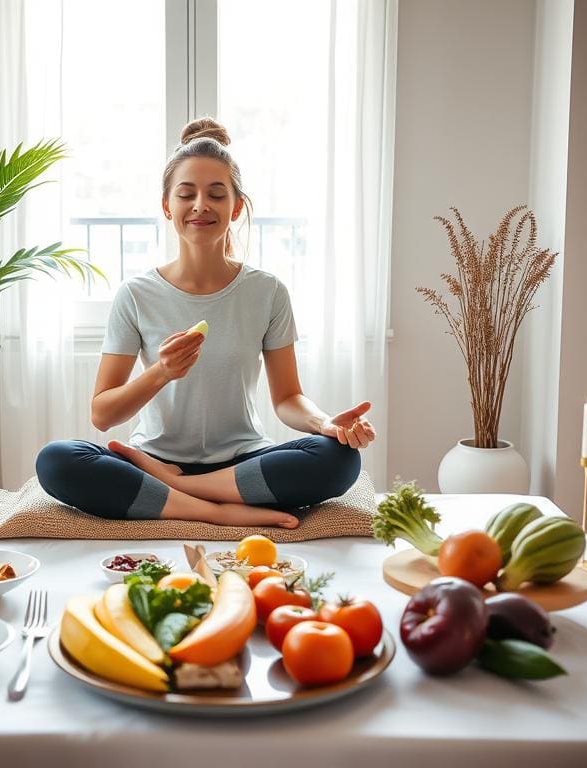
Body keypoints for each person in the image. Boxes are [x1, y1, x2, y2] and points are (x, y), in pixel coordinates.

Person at [36, 118, 375, 529]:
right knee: (56, 460)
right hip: (154, 459)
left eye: (216, 194)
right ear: (167, 207)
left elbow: (287, 398)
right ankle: (214, 510)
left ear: (235, 207)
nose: (200, 205)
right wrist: (161, 372)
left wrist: (324, 423)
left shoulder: (267, 291)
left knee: (339, 459)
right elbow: (103, 415)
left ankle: (181, 493)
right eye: (186, 194)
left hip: (242, 462)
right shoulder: (136, 294)